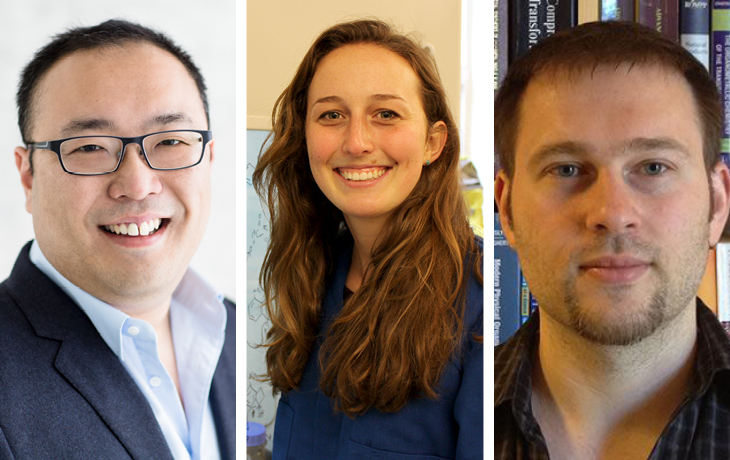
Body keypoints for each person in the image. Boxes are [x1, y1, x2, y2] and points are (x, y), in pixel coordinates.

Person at [494, 21, 730, 459]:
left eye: (653, 167)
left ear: (717, 203)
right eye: (566, 169)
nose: (613, 214)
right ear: (506, 209)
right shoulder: (445, 417)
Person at [0, 20, 235, 460]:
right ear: (28, 176)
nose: (138, 184)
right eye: (89, 148)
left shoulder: (235, 330)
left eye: (169, 140)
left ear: (209, 159)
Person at [252, 19, 483, 460]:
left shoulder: (480, 305)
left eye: (386, 114)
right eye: (332, 115)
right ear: (305, 138)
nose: (357, 142)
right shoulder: (311, 276)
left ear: (434, 142)